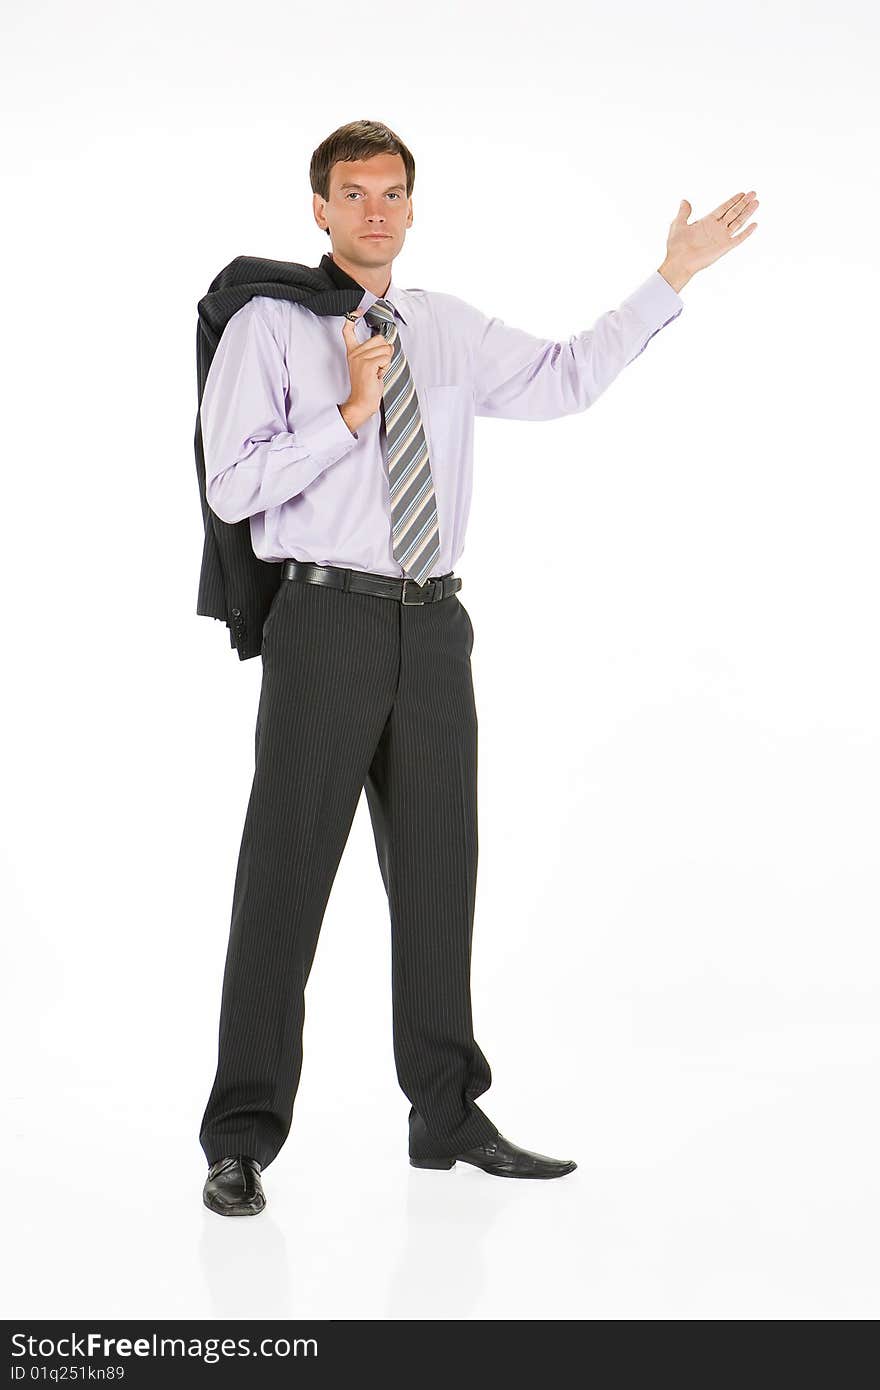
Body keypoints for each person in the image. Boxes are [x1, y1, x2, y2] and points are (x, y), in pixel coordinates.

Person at [198, 118, 759, 1217]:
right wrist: (350, 413)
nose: (374, 211)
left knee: (439, 876)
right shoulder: (268, 326)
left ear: (411, 207)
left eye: (391, 193)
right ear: (317, 209)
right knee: (285, 881)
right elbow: (231, 485)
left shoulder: (442, 327)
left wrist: (668, 278)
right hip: (326, 623)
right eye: (353, 193)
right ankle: (241, 1137)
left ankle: (444, 1113)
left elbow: (561, 379)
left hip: (433, 626)